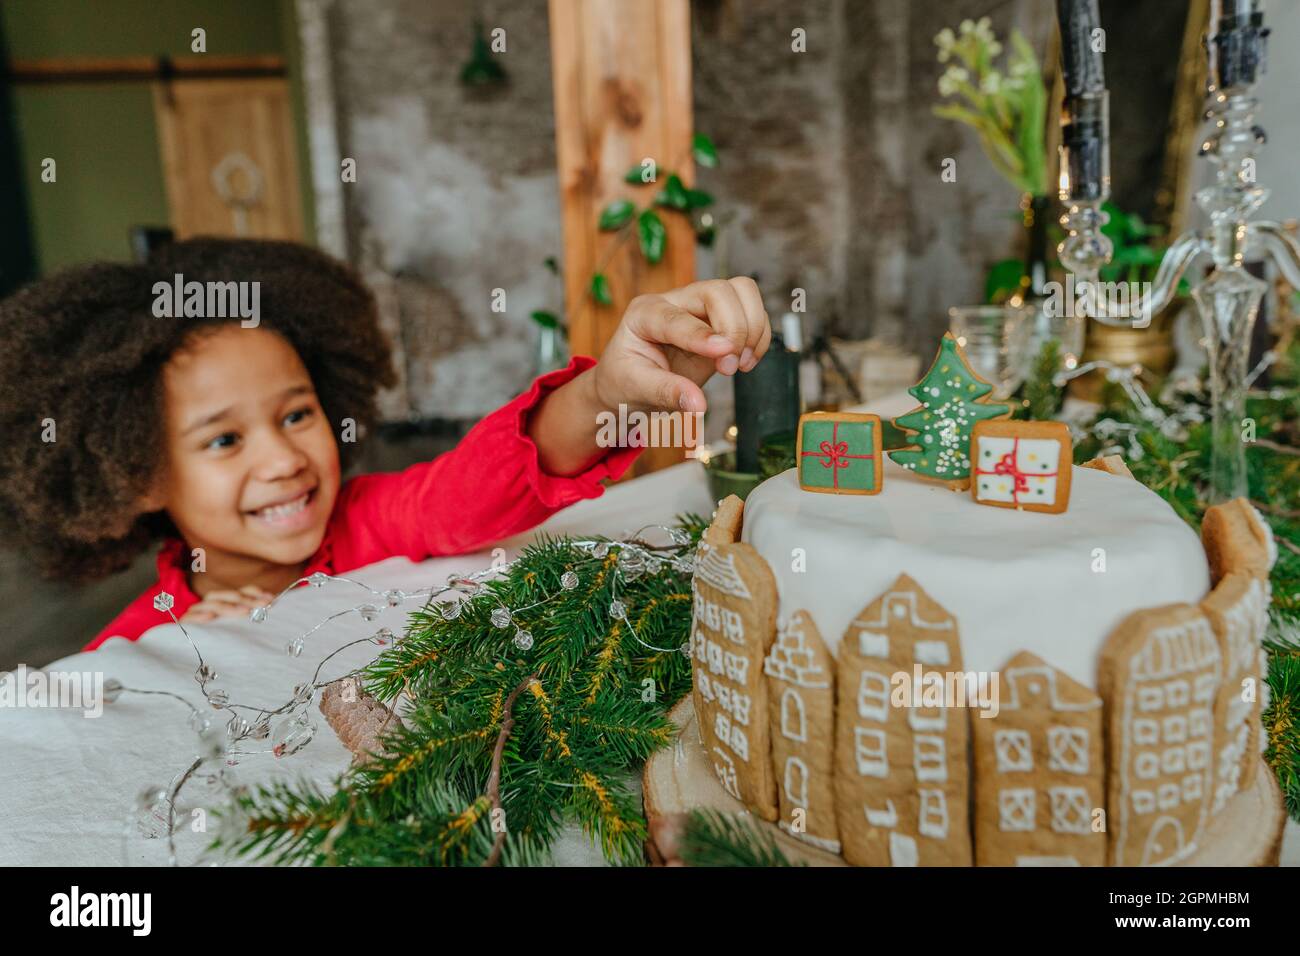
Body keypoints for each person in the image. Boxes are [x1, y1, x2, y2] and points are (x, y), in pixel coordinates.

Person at [0, 238, 770, 650]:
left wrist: (605, 393)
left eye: (297, 414)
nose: (282, 459)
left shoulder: (371, 521)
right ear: (135, 475)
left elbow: (481, 486)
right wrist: (171, 663)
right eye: (225, 438)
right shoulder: (125, 648)